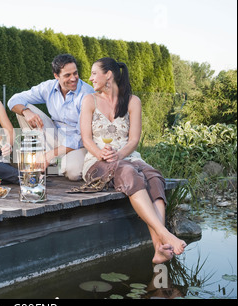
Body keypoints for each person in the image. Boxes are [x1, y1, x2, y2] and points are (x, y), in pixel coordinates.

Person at [79, 57, 187, 264]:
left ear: (108, 75)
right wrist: (102, 154)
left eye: (94, 73)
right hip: (96, 161)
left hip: (127, 156)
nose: (90, 78)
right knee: (128, 172)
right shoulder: (89, 100)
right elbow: (86, 139)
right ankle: (164, 236)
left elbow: (134, 140)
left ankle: (159, 249)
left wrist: (118, 155)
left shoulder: (132, 101)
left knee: (154, 177)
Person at [7, 54, 95, 181]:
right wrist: (26, 111)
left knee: (73, 173)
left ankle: (52, 160)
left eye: (75, 73)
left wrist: (50, 155)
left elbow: (80, 137)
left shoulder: (87, 94)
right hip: (54, 134)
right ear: (56, 76)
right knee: (22, 109)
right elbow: (13, 100)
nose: (73, 78)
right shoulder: (48, 87)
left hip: (79, 142)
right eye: (67, 75)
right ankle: (41, 156)